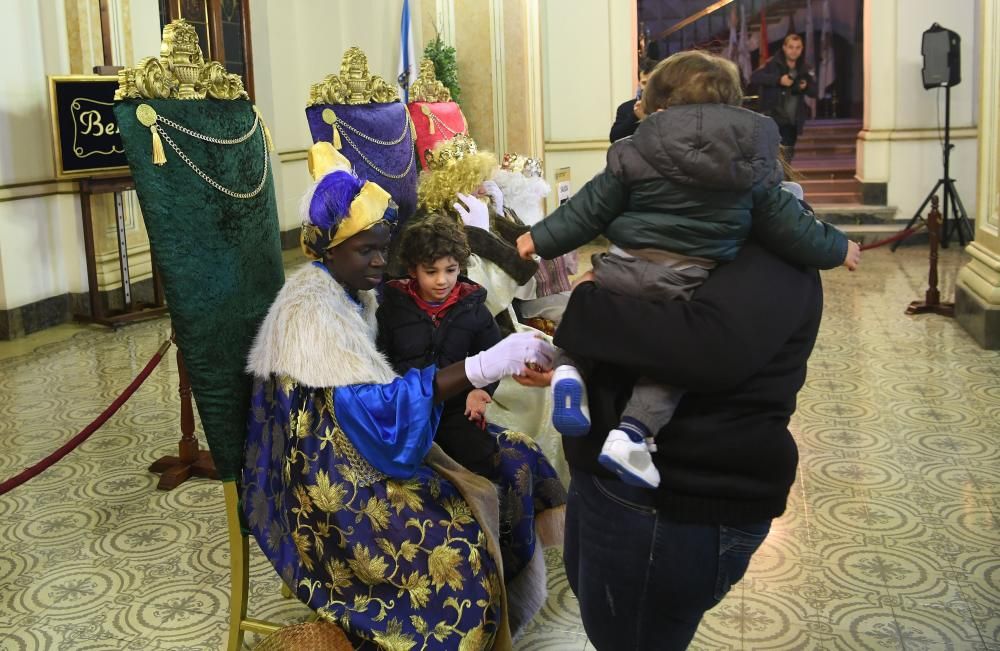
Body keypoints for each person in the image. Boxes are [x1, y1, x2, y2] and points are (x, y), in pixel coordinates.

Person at [242, 142, 566, 649]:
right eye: (365, 250)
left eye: (381, 246)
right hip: (327, 470)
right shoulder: (313, 313)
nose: (379, 259)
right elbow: (374, 414)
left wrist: (483, 376)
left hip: (370, 438)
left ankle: (510, 602)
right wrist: (481, 366)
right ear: (329, 250)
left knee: (521, 457)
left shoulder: (356, 290)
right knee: (457, 533)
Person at [516, 50, 859, 489]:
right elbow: (793, 231)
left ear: (658, 111)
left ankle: (571, 371)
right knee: (664, 374)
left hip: (624, 268)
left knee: (605, 299)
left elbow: (587, 209)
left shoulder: (634, 153)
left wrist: (543, 244)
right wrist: (838, 248)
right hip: (682, 283)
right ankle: (635, 432)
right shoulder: (756, 185)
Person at [522, 239, 826, 650]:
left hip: (672, 500)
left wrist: (587, 300)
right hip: (617, 483)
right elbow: (648, 323)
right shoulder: (689, 215)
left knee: (634, 637)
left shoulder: (772, 251)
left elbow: (696, 349)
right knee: (611, 624)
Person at [376, 213, 502, 476]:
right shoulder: (391, 308)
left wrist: (480, 390)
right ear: (413, 270)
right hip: (405, 407)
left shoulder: (474, 310)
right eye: (431, 272)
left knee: (481, 457)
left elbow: (492, 355)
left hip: (455, 407)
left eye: (451, 270)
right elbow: (380, 356)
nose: (442, 280)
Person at [751, 33, 817, 160]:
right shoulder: (772, 63)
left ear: (802, 49)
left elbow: (814, 91)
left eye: (798, 47)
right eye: (791, 47)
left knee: (787, 156)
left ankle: (783, 178)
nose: (794, 51)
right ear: (784, 48)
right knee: (771, 155)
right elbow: (755, 77)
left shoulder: (805, 68)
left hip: (792, 121)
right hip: (773, 117)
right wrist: (778, 80)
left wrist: (805, 86)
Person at [610, 57, 658, 142]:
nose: (647, 88)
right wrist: (634, 116)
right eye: (644, 83)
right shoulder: (626, 108)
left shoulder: (669, 105)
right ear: (639, 83)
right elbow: (614, 138)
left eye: (651, 83)